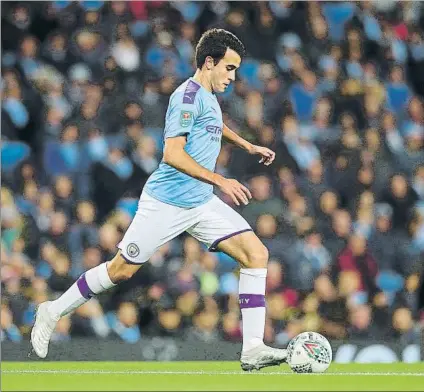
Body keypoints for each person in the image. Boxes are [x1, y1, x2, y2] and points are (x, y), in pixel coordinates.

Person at [30, 29, 287, 371]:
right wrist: (220, 180)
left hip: (199, 203)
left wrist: (248, 146)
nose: (233, 76)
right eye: (229, 68)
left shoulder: (209, 95)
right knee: (120, 270)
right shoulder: (186, 96)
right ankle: (53, 309)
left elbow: (215, 125)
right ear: (209, 62)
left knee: (256, 254)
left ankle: (252, 347)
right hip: (165, 204)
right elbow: (172, 154)